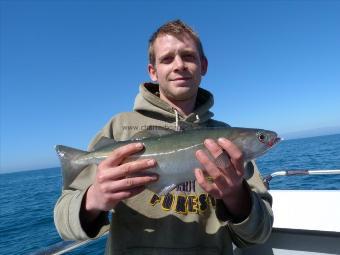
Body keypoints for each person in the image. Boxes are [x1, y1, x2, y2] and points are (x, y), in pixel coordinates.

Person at [54, 20, 273, 254]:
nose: (179, 65)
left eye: (188, 56)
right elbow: (64, 226)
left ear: (203, 65)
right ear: (153, 71)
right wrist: (94, 199)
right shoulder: (118, 128)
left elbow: (258, 234)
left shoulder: (227, 142)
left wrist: (236, 196)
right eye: (167, 59)